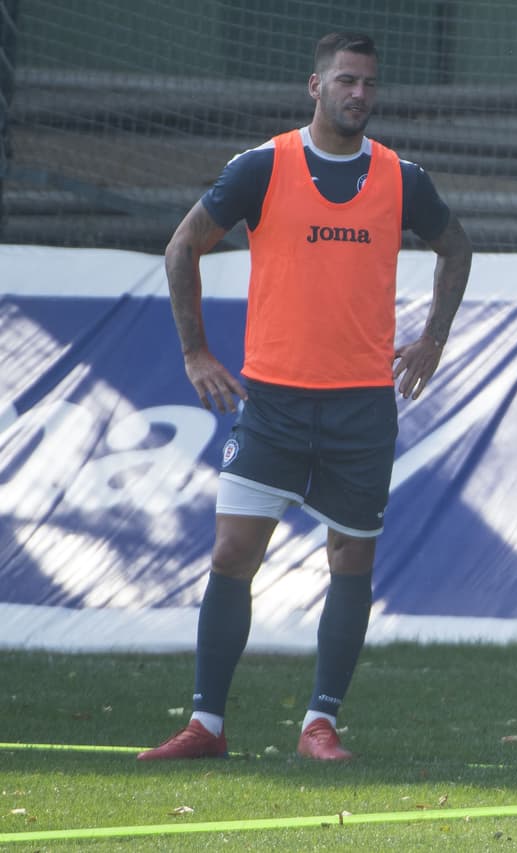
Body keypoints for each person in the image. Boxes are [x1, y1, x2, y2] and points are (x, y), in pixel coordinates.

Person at [138, 32, 473, 762]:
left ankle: (319, 722)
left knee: (350, 559)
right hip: (274, 403)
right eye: (346, 80)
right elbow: (182, 245)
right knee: (232, 552)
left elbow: (456, 245)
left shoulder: (400, 177)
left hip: (360, 407)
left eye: (369, 84)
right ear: (314, 87)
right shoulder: (263, 167)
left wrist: (432, 340)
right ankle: (207, 725)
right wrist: (195, 351)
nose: (359, 94)